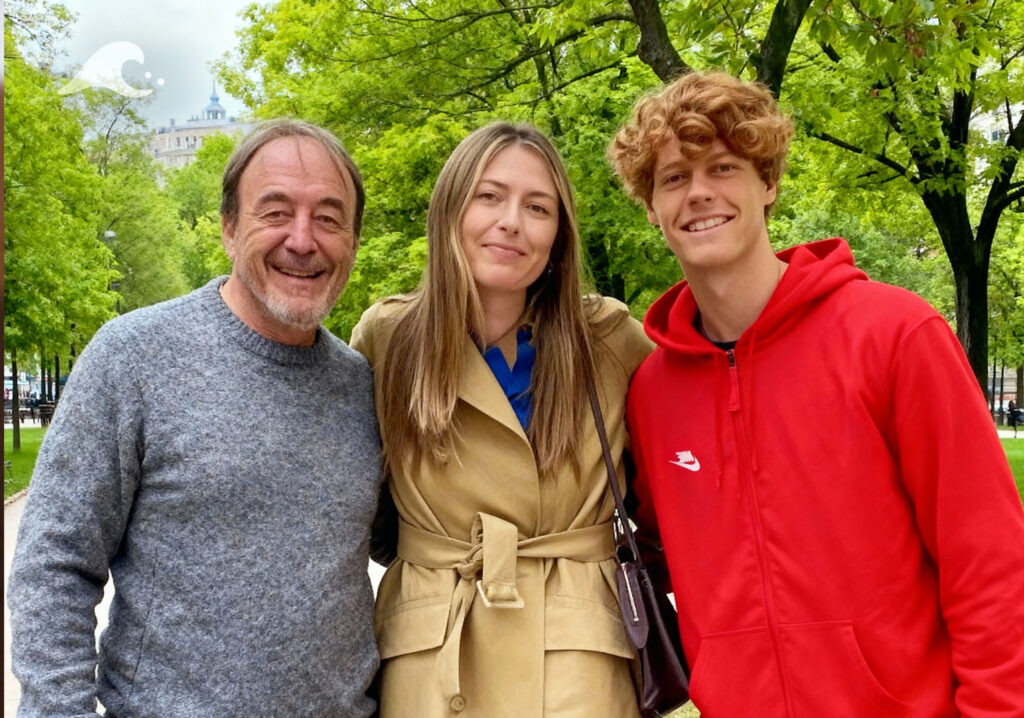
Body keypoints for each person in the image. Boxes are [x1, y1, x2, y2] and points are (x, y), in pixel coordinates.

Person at [608, 71, 1024, 716]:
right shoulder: (652, 393)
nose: (699, 193)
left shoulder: (894, 334)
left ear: (768, 183)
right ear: (652, 208)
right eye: (674, 177)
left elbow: (989, 563)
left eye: (723, 167)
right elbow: (664, 553)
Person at [8, 119, 383, 717]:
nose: (303, 239)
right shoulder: (133, 357)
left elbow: (406, 543)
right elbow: (54, 564)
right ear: (230, 229)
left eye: (329, 218)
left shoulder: (360, 383)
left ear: (354, 242)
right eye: (275, 212)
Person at [350, 122, 652, 717]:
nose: (511, 222)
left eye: (537, 207)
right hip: (435, 651)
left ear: (559, 235)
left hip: (579, 659)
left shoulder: (608, 340)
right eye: (489, 196)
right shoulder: (389, 339)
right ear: (450, 210)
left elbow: (678, 484)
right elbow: (358, 504)